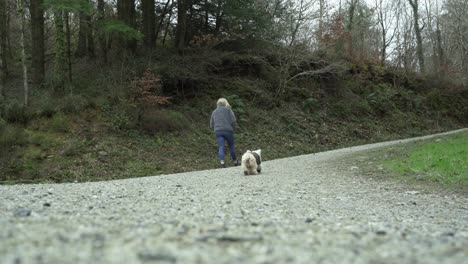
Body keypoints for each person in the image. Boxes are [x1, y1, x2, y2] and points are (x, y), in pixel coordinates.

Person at [210, 98, 240, 168]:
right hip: (228, 130)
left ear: (218, 104)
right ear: (225, 103)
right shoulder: (229, 110)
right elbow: (233, 120)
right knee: (231, 146)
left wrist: (215, 127)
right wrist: (233, 127)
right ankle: (235, 161)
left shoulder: (214, 112)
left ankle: (222, 162)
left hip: (218, 131)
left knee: (221, 146)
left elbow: (211, 124)